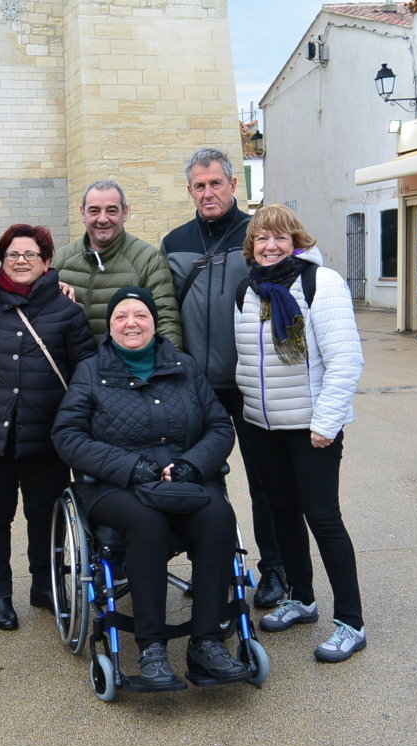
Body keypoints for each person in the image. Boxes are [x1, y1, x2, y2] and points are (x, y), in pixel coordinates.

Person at [51, 286, 249, 690]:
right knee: (146, 522)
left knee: (218, 517)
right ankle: (152, 648)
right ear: (110, 326)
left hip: (183, 482)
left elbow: (218, 426)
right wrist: (131, 467)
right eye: (121, 316)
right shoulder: (90, 371)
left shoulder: (184, 366)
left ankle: (207, 642)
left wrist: (193, 464)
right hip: (116, 487)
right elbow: (67, 435)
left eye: (140, 315)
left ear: (154, 324)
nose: (131, 324)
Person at [232, 204, 367, 662]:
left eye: (280, 238)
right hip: (263, 426)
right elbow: (247, 360)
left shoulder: (320, 283)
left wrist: (326, 424)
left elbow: (345, 360)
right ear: (252, 246)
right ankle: (301, 598)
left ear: (297, 242)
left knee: (323, 518)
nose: (270, 246)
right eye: (262, 238)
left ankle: (351, 623)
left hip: (311, 429)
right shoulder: (247, 290)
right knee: (282, 514)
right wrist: (250, 412)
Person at [161, 147, 287, 610]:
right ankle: (211, 569)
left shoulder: (258, 236)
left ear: (234, 185)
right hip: (197, 385)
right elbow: (165, 308)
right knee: (199, 480)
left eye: (216, 183)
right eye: (199, 185)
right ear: (189, 190)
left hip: (251, 381)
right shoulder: (174, 242)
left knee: (266, 482)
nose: (208, 192)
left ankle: (275, 569)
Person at [0, 223, 95, 631]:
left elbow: (84, 374)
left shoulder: (67, 311)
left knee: (45, 516)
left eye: (30, 254)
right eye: (12, 254)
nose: (20, 261)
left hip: (46, 436)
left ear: (47, 261)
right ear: (1, 260)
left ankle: (45, 584)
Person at [53, 180, 182, 347]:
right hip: (73, 362)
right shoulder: (61, 259)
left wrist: (173, 361)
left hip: (126, 362)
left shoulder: (148, 259)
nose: (102, 219)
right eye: (94, 211)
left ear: (125, 212)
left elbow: (166, 321)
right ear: (82, 213)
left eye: (111, 211)